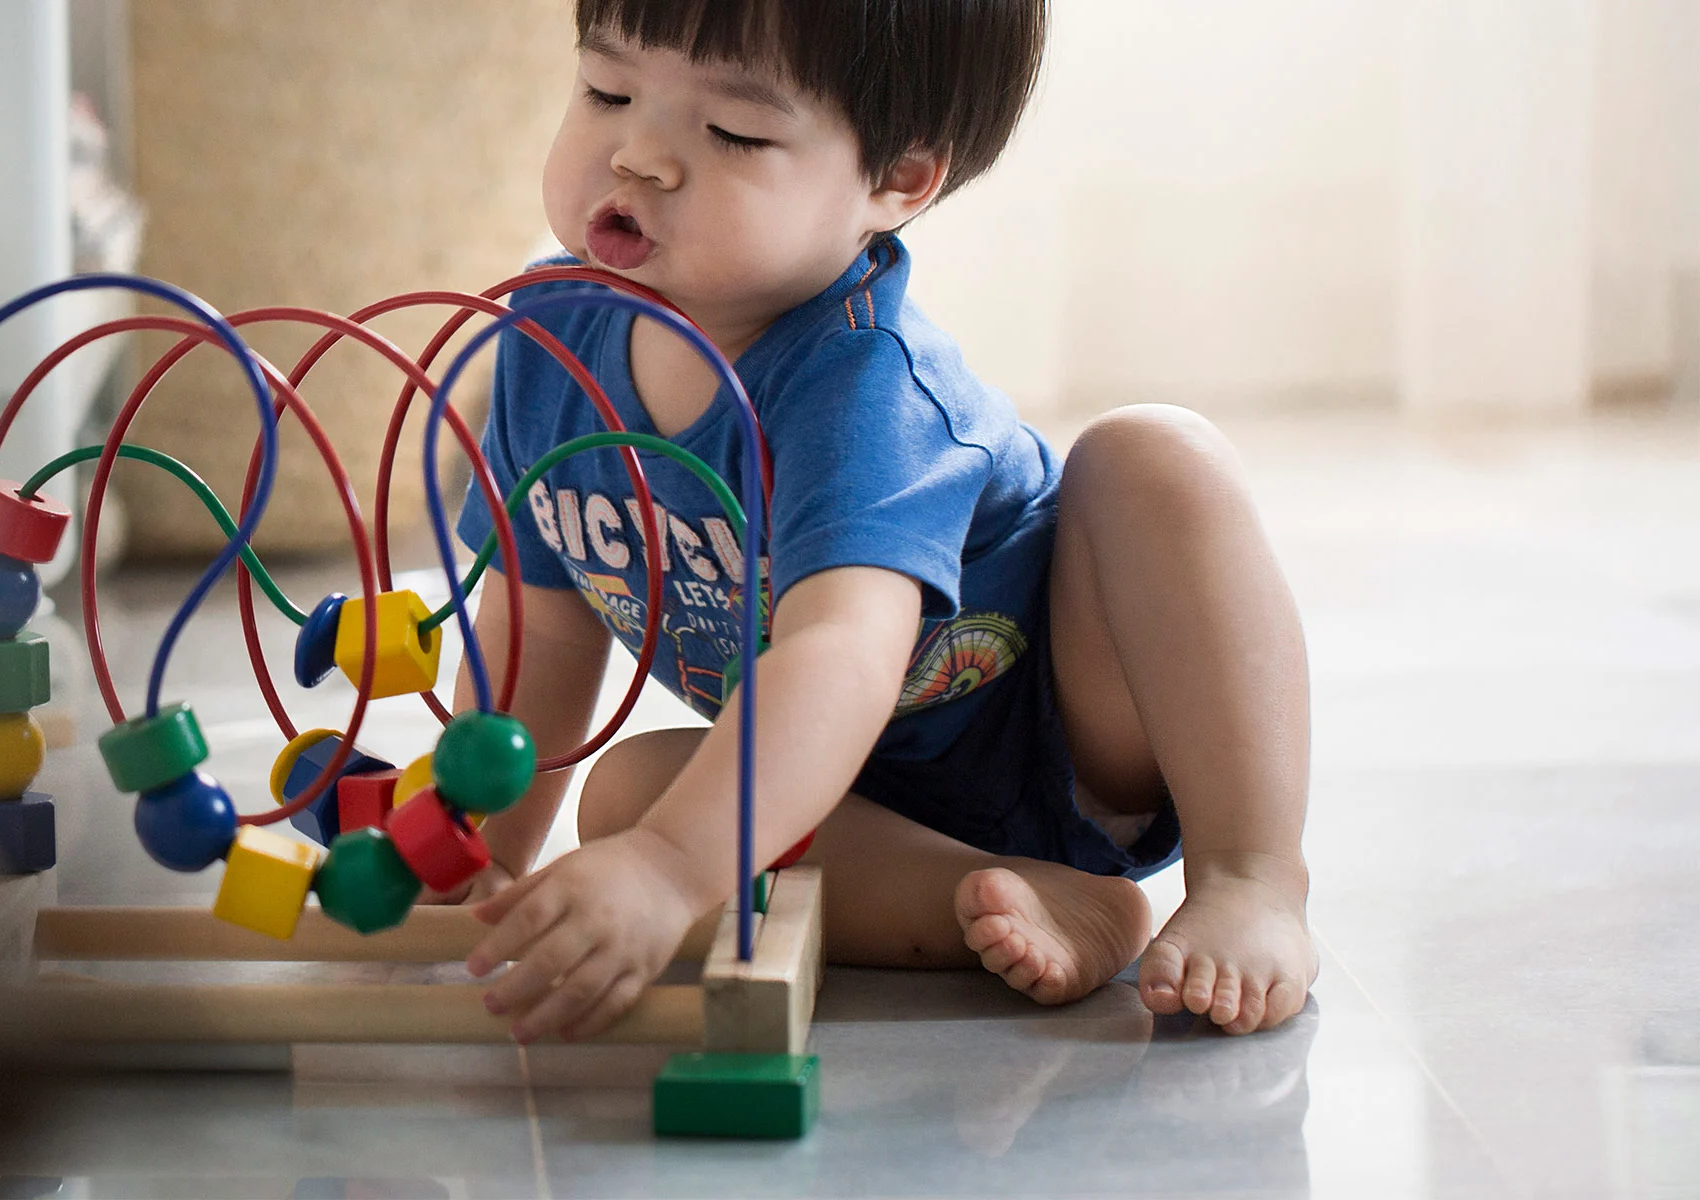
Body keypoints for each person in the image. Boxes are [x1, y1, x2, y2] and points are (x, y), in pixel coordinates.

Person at [448, 0, 1317, 1043]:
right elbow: (542, 625)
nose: (638, 155)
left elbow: (841, 653)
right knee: (630, 802)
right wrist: (484, 846)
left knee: (1154, 459)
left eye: (735, 133)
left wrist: (678, 868)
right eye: (608, 91)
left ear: (895, 181)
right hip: (856, 801)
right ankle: (1014, 891)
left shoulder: (857, 385)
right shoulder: (550, 346)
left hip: (1078, 709)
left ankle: (1253, 875)